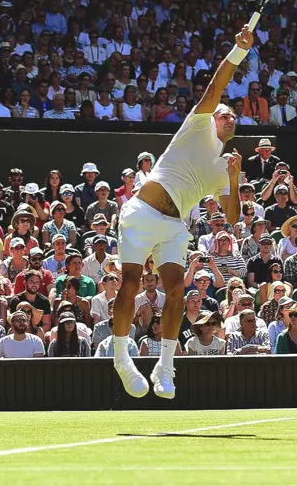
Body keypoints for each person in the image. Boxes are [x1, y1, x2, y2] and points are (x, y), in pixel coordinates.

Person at [109, 24, 251, 398]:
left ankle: (165, 366)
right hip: (141, 213)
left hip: (174, 226)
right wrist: (237, 52)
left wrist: (234, 181)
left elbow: (233, 218)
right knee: (129, 283)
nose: (228, 118)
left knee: (177, 292)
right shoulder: (196, 125)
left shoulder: (226, 166)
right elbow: (214, 87)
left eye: (233, 117)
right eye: (224, 114)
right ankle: (122, 359)